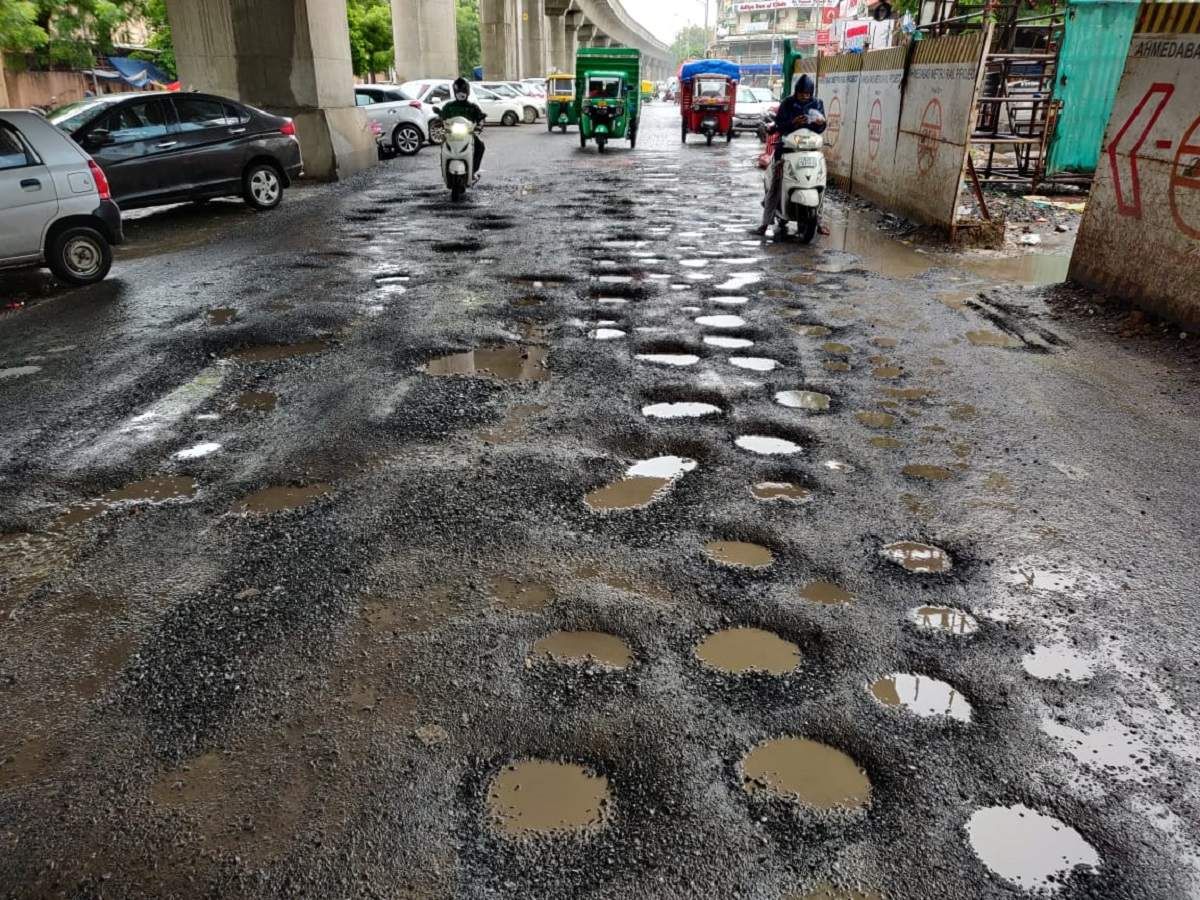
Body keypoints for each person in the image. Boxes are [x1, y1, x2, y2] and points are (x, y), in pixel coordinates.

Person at [752, 74, 827, 236]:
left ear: (811, 93)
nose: (804, 97)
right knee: (775, 186)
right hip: (787, 149)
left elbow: (821, 127)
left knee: (820, 183)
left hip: (810, 150)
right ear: (796, 92)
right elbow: (779, 125)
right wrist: (793, 123)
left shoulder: (817, 104)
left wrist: (820, 123)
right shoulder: (787, 103)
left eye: (807, 94)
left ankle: (819, 222)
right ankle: (765, 224)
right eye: (801, 94)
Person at [439, 77, 487, 180]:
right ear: (455, 91)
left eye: (463, 90)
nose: (461, 93)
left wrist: (480, 124)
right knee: (442, 145)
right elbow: (442, 117)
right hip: (451, 134)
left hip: (468, 134)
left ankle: (473, 170)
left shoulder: (472, 107)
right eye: (459, 90)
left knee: (480, 145)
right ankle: (444, 167)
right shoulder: (448, 106)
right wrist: (440, 121)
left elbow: (480, 118)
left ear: (468, 91)